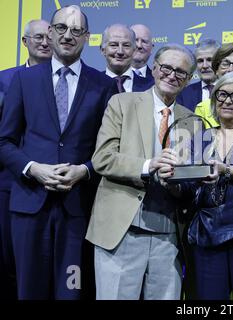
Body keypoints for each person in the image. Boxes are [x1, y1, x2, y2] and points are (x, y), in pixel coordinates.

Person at [0, 5, 116, 299]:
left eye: (76, 30)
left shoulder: (104, 86)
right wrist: (33, 169)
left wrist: (84, 170)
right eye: (62, 28)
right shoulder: (23, 81)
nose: (68, 35)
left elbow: (110, 148)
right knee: (29, 291)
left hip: (77, 209)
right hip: (29, 206)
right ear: (50, 33)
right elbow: (4, 142)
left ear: (87, 37)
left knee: (71, 290)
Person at [86, 44, 198, 300]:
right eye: (167, 68)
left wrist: (177, 184)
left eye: (181, 72)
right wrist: (149, 166)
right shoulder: (122, 103)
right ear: (154, 69)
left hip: (169, 235)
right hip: (121, 230)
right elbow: (102, 158)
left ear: (189, 79)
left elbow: (190, 182)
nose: (172, 75)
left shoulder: (192, 121)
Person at [160, 71, 233, 299]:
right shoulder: (201, 137)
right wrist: (171, 181)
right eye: (222, 94)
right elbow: (188, 188)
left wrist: (226, 170)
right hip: (207, 234)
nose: (228, 101)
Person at [0, 19, 53, 300]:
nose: (44, 43)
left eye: (49, 37)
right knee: (11, 259)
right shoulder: (5, 79)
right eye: (37, 38)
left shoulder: (71, 80)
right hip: (10, 182)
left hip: (56, 185)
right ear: (24, 42)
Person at [101, 24, 152, 93]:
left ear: (134, 50)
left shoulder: (152, 86)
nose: (120, 51)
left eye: (126, 45)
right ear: (103, 50)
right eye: (114, 45)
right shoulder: (91, 84)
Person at [177, 39, 221, 111]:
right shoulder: (184, 94)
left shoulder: (231, 90)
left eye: (209, 60)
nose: (205, 66)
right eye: (200, 61)